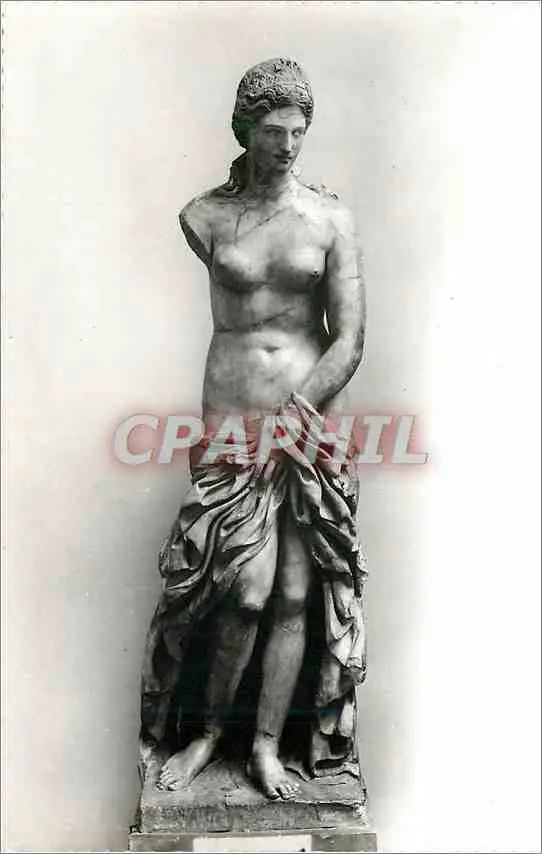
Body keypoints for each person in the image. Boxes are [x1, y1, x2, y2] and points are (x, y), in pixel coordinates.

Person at [139, 57, 368, 802]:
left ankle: (267, 746)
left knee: (297, 594)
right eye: (273, 131)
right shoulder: (204, 215)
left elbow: (349, 338)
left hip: (306, 422)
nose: (288, 146)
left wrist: (294, 417)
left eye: (298, 131)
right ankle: (208, 733)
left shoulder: (330, 219)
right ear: (245, 129)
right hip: (234, 422)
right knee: (242, 590)